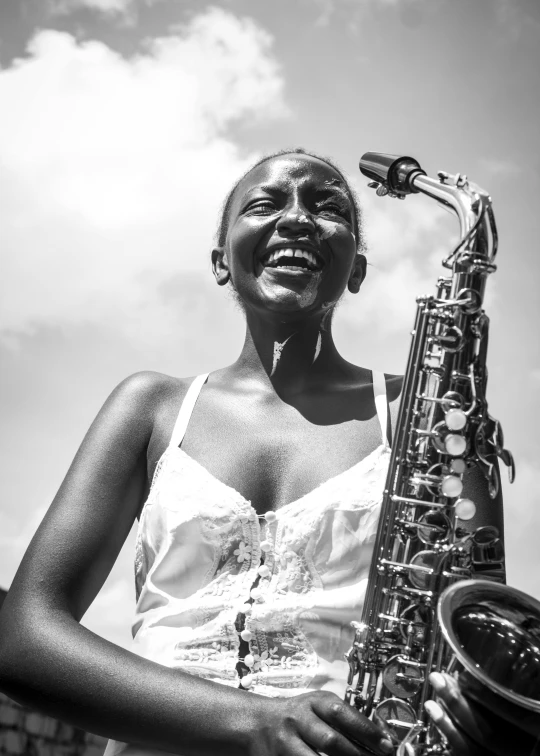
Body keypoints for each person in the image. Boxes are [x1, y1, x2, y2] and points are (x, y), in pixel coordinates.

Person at [0, 149, 529, 756]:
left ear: (357, 268)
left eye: (328, 208)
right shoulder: (149, 406)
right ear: (221, 261)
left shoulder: (438, 417)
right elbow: (22, 638)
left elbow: (480, 650)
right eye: (265, 204)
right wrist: (259, 722)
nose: (298, 219)